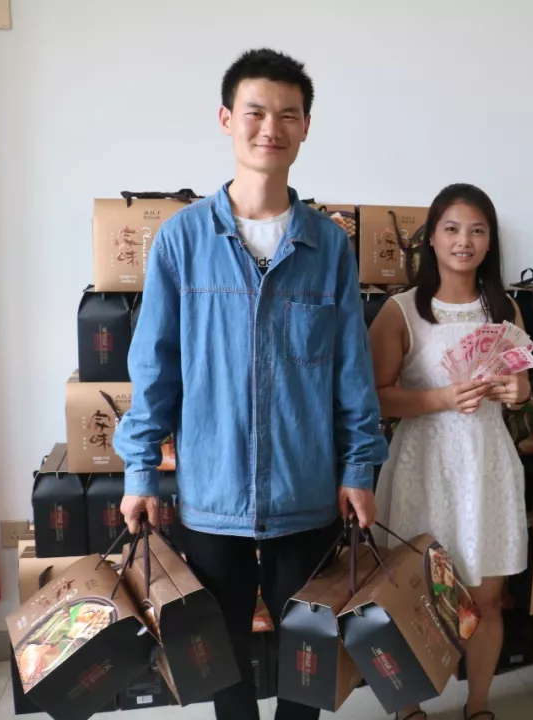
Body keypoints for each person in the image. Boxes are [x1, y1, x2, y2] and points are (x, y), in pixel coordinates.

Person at [112, 48, 388, 720]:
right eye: (256, 112)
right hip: (212, 493)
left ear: (306, 127)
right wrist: (139, 471)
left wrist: (359, 468)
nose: (271, 127)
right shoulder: (182, 241)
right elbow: (155, 369)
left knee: (308, 653)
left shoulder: (329, 245)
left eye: (288, 115)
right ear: (226, 119)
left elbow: (352, 371)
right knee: (221, 655)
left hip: (307, 492)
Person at [369, 183, 531, 720]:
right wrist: (441, 398)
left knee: (486, 599)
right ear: (432, 239)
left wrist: (517, 390)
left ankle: (478, 705)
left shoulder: (504, 309)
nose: (465, 241)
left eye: (477, 231)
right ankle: (409, 709)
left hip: (488, 466)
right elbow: (377, 396)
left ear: (490, 242)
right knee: (414, 597)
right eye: (453, 229)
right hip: (423, 467)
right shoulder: (401, 312)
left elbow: (521, 386)